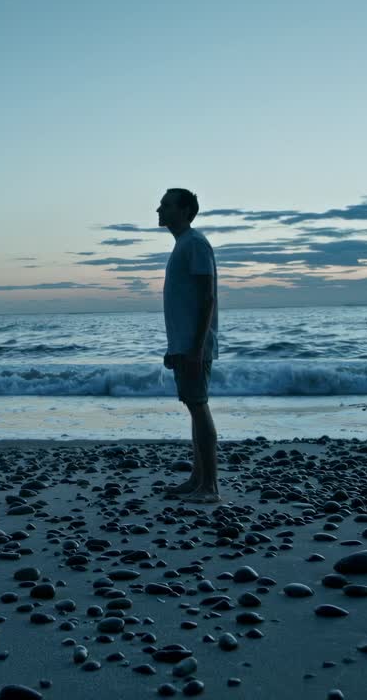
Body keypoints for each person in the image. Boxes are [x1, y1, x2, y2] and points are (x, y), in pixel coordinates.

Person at [157, 187, 221, 503]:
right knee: (194, 408)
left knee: (199, 406)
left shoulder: (195, 243)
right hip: (184, 344)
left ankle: (210, 486)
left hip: (195, 344)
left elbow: (207, 297)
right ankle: (198, 479)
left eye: (166, 205)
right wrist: (176, 347)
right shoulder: (183, 244)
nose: (159, 210)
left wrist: (196, 347)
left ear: (184, 211)